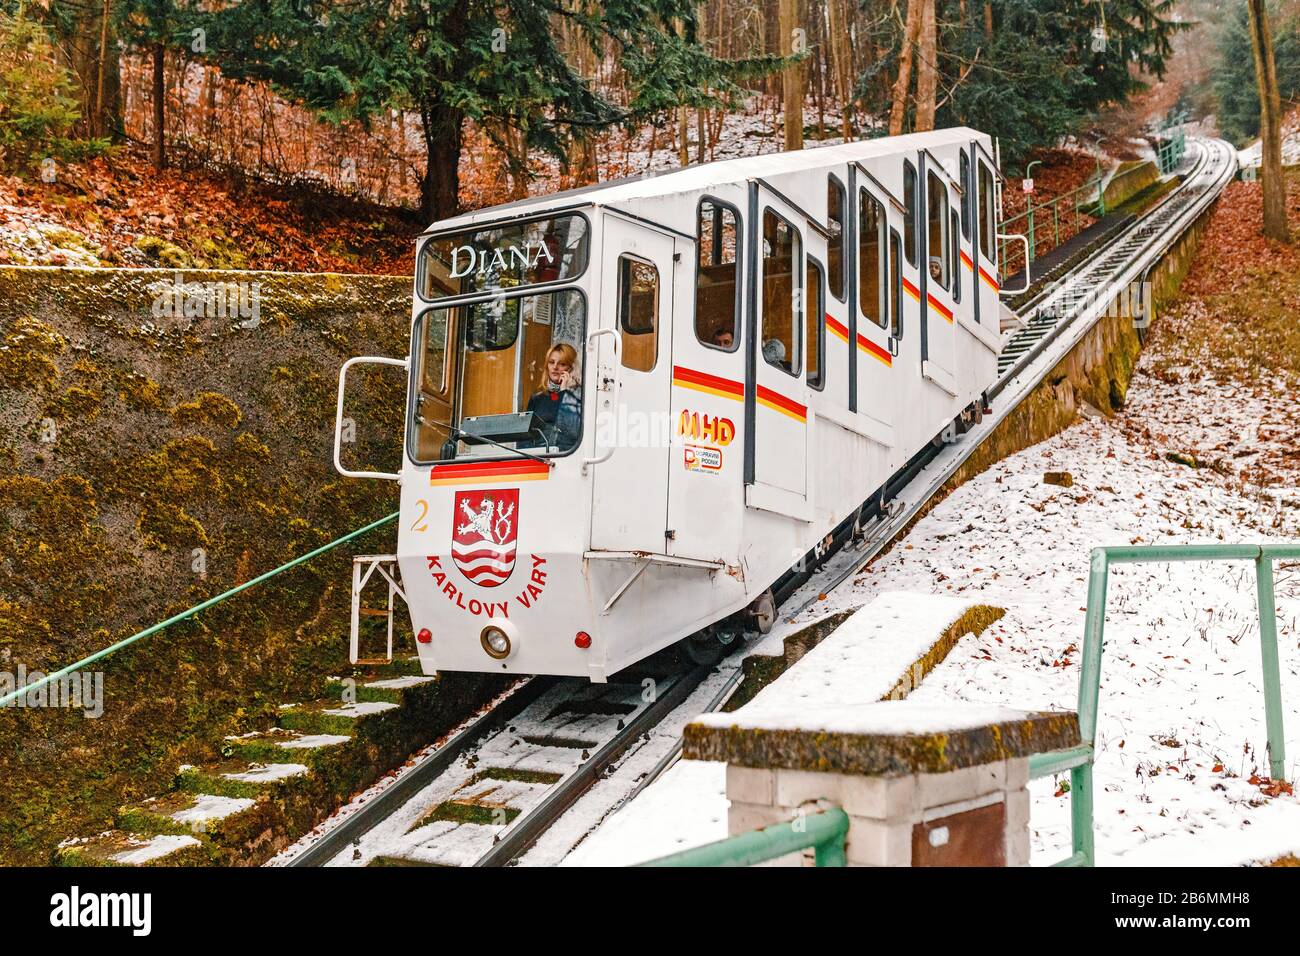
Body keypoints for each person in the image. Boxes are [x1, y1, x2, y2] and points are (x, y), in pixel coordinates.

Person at [526, 343, 582, 450]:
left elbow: (571, 431)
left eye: (562, 364)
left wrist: (564, 392)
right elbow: (526, 437)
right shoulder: (537, 398)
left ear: (571, 369)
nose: (555, 367)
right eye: (551, 362)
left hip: (566, 456)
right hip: (540, 456)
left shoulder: (579, 397)